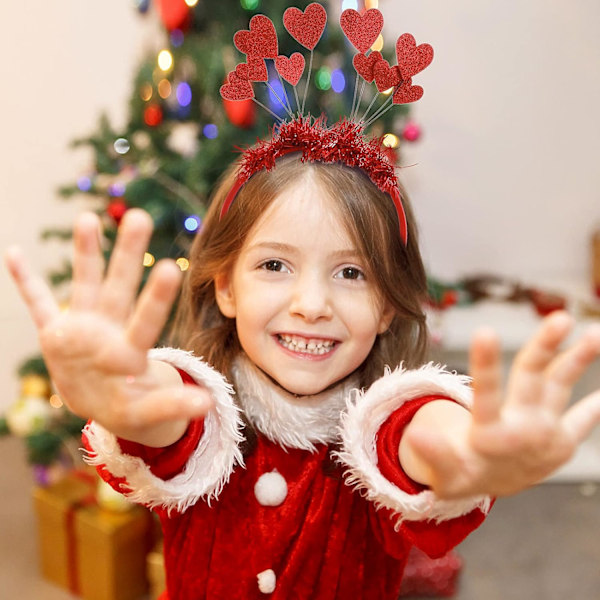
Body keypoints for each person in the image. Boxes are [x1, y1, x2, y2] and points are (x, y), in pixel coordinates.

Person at [5, 150, 600, 600]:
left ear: (388, 304)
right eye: (274, 265)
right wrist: (124, 396)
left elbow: (419, 436)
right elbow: (166, 410)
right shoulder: (198, 414)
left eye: (351, 273)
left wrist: (466, 449)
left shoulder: (384, 424)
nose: (312, 303)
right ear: (227, 285)